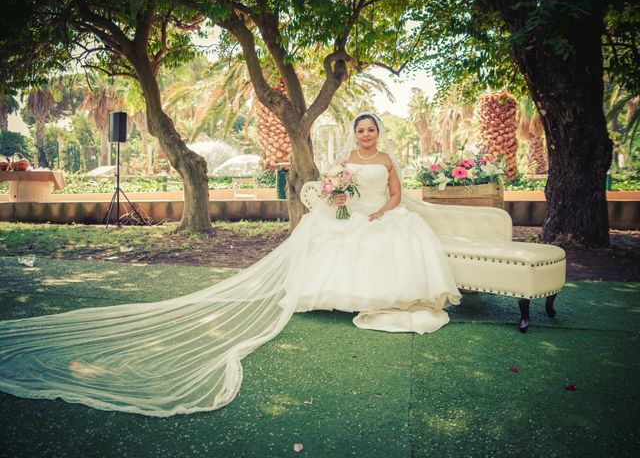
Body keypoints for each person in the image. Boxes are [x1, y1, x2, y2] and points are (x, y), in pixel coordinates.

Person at [0, 112, 460, 417]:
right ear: (354, 135)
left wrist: (381, 211)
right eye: (360, 131)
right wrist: (339, 195)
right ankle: (334, 297)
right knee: (335, 239)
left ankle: (380, 294)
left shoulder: (384, 159)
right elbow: (333, 189)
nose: (366, 136)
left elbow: (396, 193)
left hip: (380, 212)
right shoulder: (344, 161)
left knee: (391, 234)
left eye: (370, 130)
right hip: (347, 213)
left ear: (378, 134)